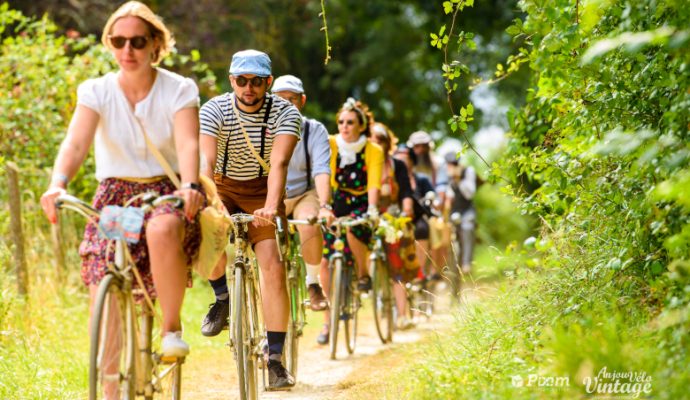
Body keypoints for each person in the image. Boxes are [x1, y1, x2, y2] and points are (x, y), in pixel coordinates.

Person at [39, 2, 204, 393]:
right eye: (118, 41)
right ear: (109, 45)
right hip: (114, 197)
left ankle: (170, 331)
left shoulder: (179, 89)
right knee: (104, 284)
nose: (127, 50)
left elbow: (188, 142)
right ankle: (110, 388)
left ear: (155, 45)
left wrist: (191, 185)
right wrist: (57, 182)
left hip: (165, 190)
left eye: (137, 41)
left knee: (162, 229)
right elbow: (76, 143)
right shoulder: (95, 90)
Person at [198, 49, 300, 390]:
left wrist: (271, 206)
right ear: (231, 81)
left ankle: (274, 360)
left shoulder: (285, 112)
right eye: (241, 81)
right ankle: (222, 299)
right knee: (206, 233)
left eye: (256, 82)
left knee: (271, 263)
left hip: (262, 190)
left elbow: (281, 165)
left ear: (268, 82)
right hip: (222, 185)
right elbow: (206, 163)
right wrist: (212, 203)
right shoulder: (214, 108)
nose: (248, 88)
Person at [318, 98, 383, 344]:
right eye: (341, 122)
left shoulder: (372, 149)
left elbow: (374, 182)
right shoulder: (332, 144)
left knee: (356, 232)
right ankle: (327, 321)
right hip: (336, 202)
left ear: (361, 125)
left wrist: (374, 209)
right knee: (325, 260)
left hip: (362, 203)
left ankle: (363, 274)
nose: (345, 126)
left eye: (350, 122)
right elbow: (325, 173)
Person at [271, 74, 333, 313]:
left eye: (292, 99)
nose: (286, 104)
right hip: (271, 194)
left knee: (309, 223)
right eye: (280, 99)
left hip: (303, 193)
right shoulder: (262, 128)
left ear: (302, 101)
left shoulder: (314, 130)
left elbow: (321, 170)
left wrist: (325, 205)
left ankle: (313, 282)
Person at [370, 122, 418, 330]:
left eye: (380, 140)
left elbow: (406, 191)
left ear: (387, 143)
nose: (376, 143)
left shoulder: (396, 165)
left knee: (396, 265)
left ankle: (402, 314)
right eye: (372, 139)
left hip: (391, 214)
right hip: (368, 215)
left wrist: (406, 209)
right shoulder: (362, 163)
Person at [444, 152, 478, 274]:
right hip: (454, 211)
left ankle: (466, 263)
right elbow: (448, 195)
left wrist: (459, 179)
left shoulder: (468, 171)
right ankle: (447, 265)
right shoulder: (447, 175)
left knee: (467, 229)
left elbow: (470, 194)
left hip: (467, 210)